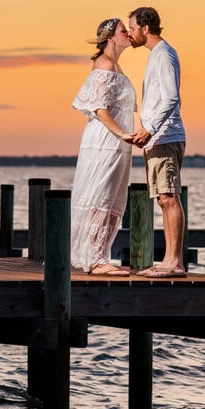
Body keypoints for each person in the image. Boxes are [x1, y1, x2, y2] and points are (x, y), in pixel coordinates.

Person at [69, 17, 138, 275]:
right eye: (124, 31)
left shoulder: (115, 66)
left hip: (118, 143)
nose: (128, 34)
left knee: (112, 197)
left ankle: (100, 255)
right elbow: (100, 109)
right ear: (111, 38)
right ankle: (96, 260)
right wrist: (123, 133)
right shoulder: (104, 65)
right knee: (101, 194)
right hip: (106, 142)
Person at [127, 6, 187, 277]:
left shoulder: (164, 55)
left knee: (169, 197)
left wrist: (149, 128)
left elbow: (171, 97)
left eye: (132, 28)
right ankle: (168, 261)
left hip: (164, 136)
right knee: (163, 199)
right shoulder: (156, 56)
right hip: (157, 138)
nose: (130, 33)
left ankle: (174, 263)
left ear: (145, 28)